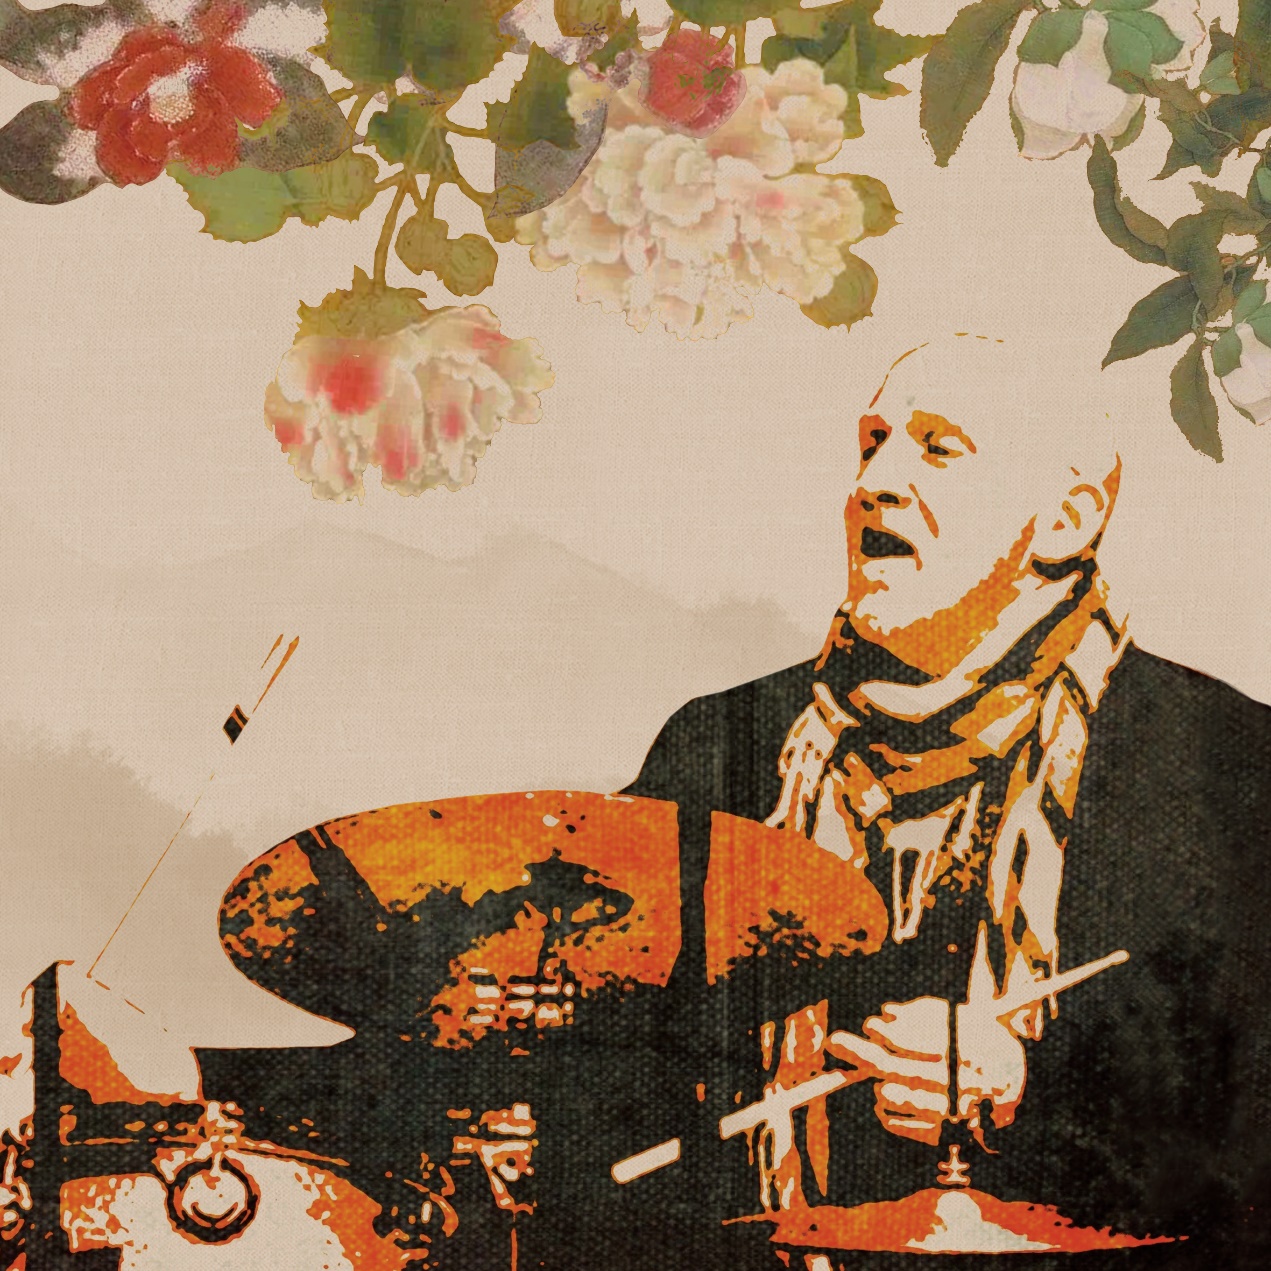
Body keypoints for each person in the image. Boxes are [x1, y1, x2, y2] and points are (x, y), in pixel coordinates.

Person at [621, 334, 1271, 1269]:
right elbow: (605, 1070)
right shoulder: (720, 751)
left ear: (1067, 518)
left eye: (937, 448)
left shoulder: (1226, 766)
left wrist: (1029, 1086)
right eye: (871, 443)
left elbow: (1247, 1149)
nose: (873, 483)